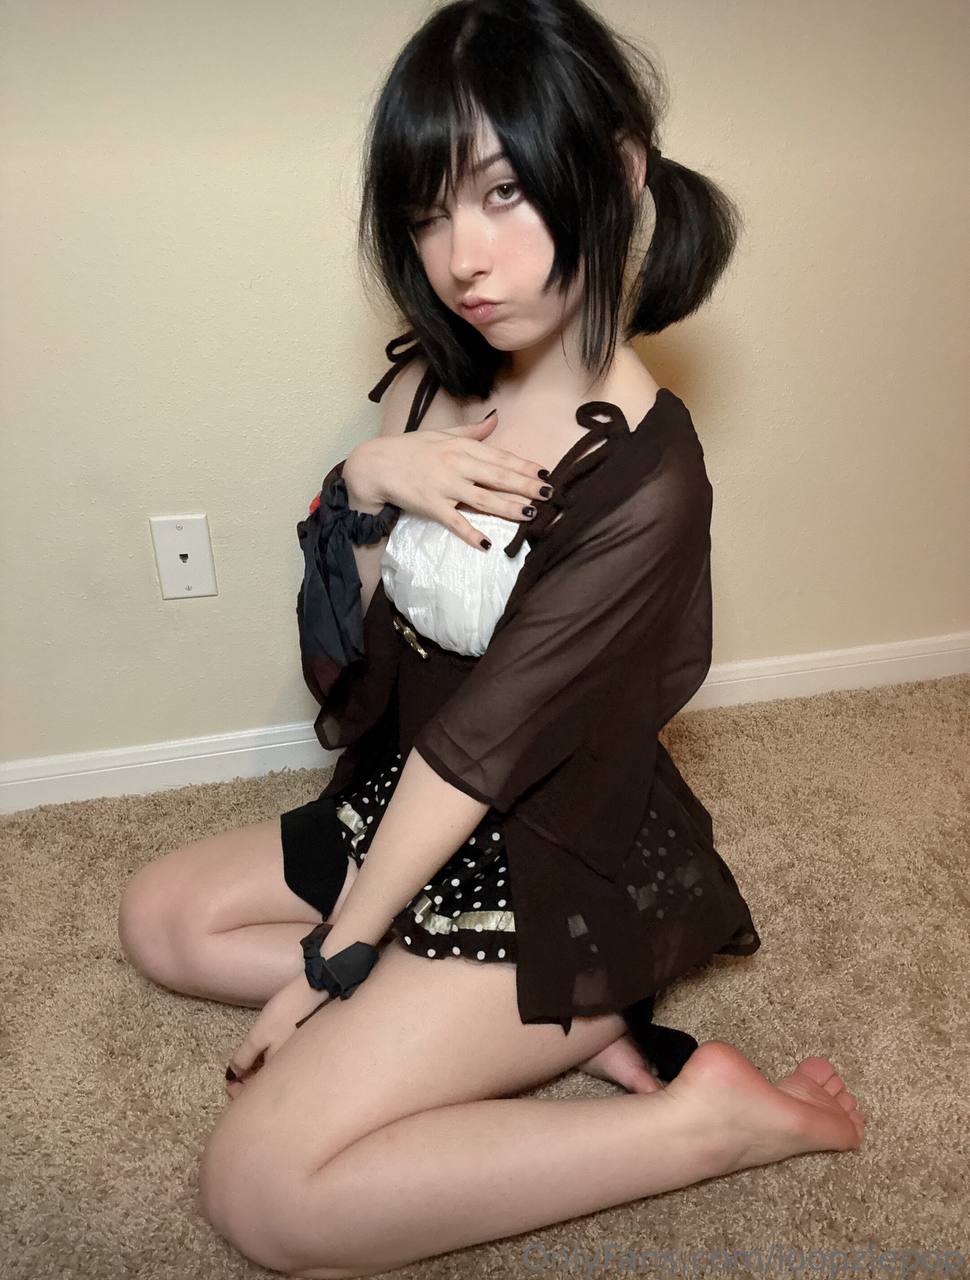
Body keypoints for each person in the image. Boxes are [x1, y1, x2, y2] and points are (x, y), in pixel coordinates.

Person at [117, 1, 866, 1274]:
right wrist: (366, 481)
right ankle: (530, 1030)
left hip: (549, 862)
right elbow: (362, 647)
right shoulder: (434, 377)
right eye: (428, 211)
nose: (462, 256)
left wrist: (337, 959)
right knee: (161, 919)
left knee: (262, 1189)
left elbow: (478, 750)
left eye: (505, 192)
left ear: (616, 172)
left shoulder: (646, 479)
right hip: (410, 804)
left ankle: (704, 1119)